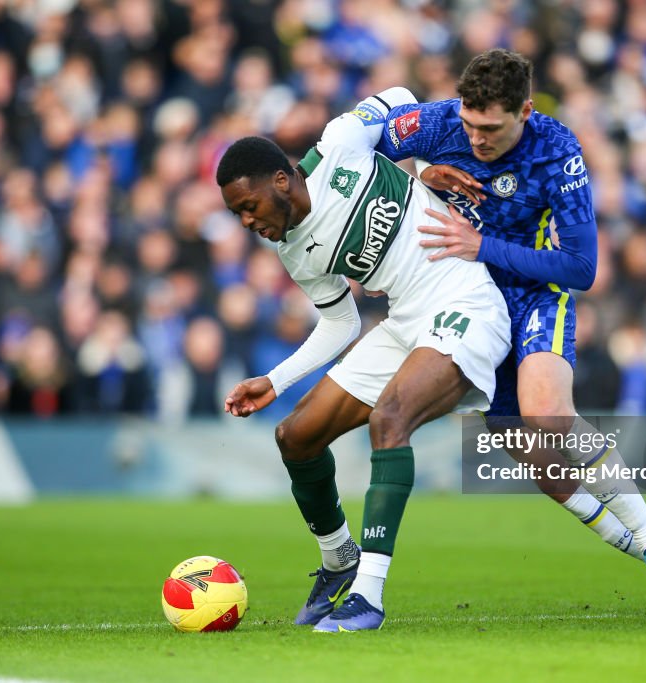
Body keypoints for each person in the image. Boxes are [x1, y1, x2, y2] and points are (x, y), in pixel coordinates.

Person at [373, 49, 646, 621]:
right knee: (545, 467)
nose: (476, 139)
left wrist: (482, 246)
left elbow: (581, 267)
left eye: (490, 129)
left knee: (549, 416)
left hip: (534, 296)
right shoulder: (437, 123)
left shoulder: (557, 151)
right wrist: (414, 172)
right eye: (470, 125)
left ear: (525, 111)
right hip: (464, 304)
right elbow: (354, 155)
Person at [215, 87, 511, 632]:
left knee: (389, 419)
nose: (247, 223)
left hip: (463, 297)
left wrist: (424, 162)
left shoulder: (341, 145)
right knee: (296, 438)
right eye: (237, 215)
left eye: (248, 207)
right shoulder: (293, 252)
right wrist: (276, 382)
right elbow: (342, 322)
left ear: (281, 181)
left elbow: (398, 96)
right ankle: (339, 559)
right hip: (403, 321)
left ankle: (368, 597)